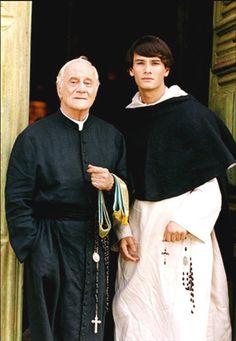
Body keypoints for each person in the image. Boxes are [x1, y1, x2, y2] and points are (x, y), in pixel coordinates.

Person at [112, 35, 236, 341]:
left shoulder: (191, 114)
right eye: (140, 63)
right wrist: (123, 231)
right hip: (139, 226)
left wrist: (186, 220)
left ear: (166, 69)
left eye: (155, 63)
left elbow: (210, 183)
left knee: (183, 312)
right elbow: (121, 182)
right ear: (131, 71)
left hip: (181, 230)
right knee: (135, 307)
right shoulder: (125, 120)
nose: (148, 70)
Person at [5, 56, 129, 341]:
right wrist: (33, 247)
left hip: (93, 239)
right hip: (50, 239)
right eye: (73, 81)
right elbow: (17, 198)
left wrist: (112, 183)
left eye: (88, 82)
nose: (81, 88)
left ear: (97, 89)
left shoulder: (112, 136)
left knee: (93, 323)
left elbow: (128, 187)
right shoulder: (34, 137)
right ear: (59, 89)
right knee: (51, 324)